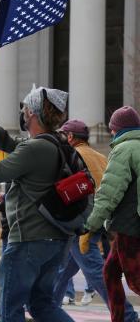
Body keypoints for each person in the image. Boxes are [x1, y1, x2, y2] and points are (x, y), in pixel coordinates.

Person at [0, 86, 74, 322]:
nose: (22, 112)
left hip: (28, 239)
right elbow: (7, 142)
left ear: (33, 113)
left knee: (10, 309)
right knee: (42, 305)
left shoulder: (35, 148)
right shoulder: (55, 142)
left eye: (25, 107)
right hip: (56, 239)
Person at [53, 119, 138, 321]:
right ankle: (46, 307)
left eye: (63, 135)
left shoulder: (72, 154)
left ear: (70, 137)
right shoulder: (100, 156)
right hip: (101, 217)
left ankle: (127, 316)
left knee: (98, 271)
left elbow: (68, 189)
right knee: (65, 269)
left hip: (84, 221)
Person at [85, 106, 140, 322]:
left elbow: (109, 193)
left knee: (136, 281)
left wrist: (91, 224)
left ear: (118, 129)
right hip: (130, 223)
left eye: (112, 128)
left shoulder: (124, 149)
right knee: (110, 272)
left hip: (129, 225)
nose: (111, 133)